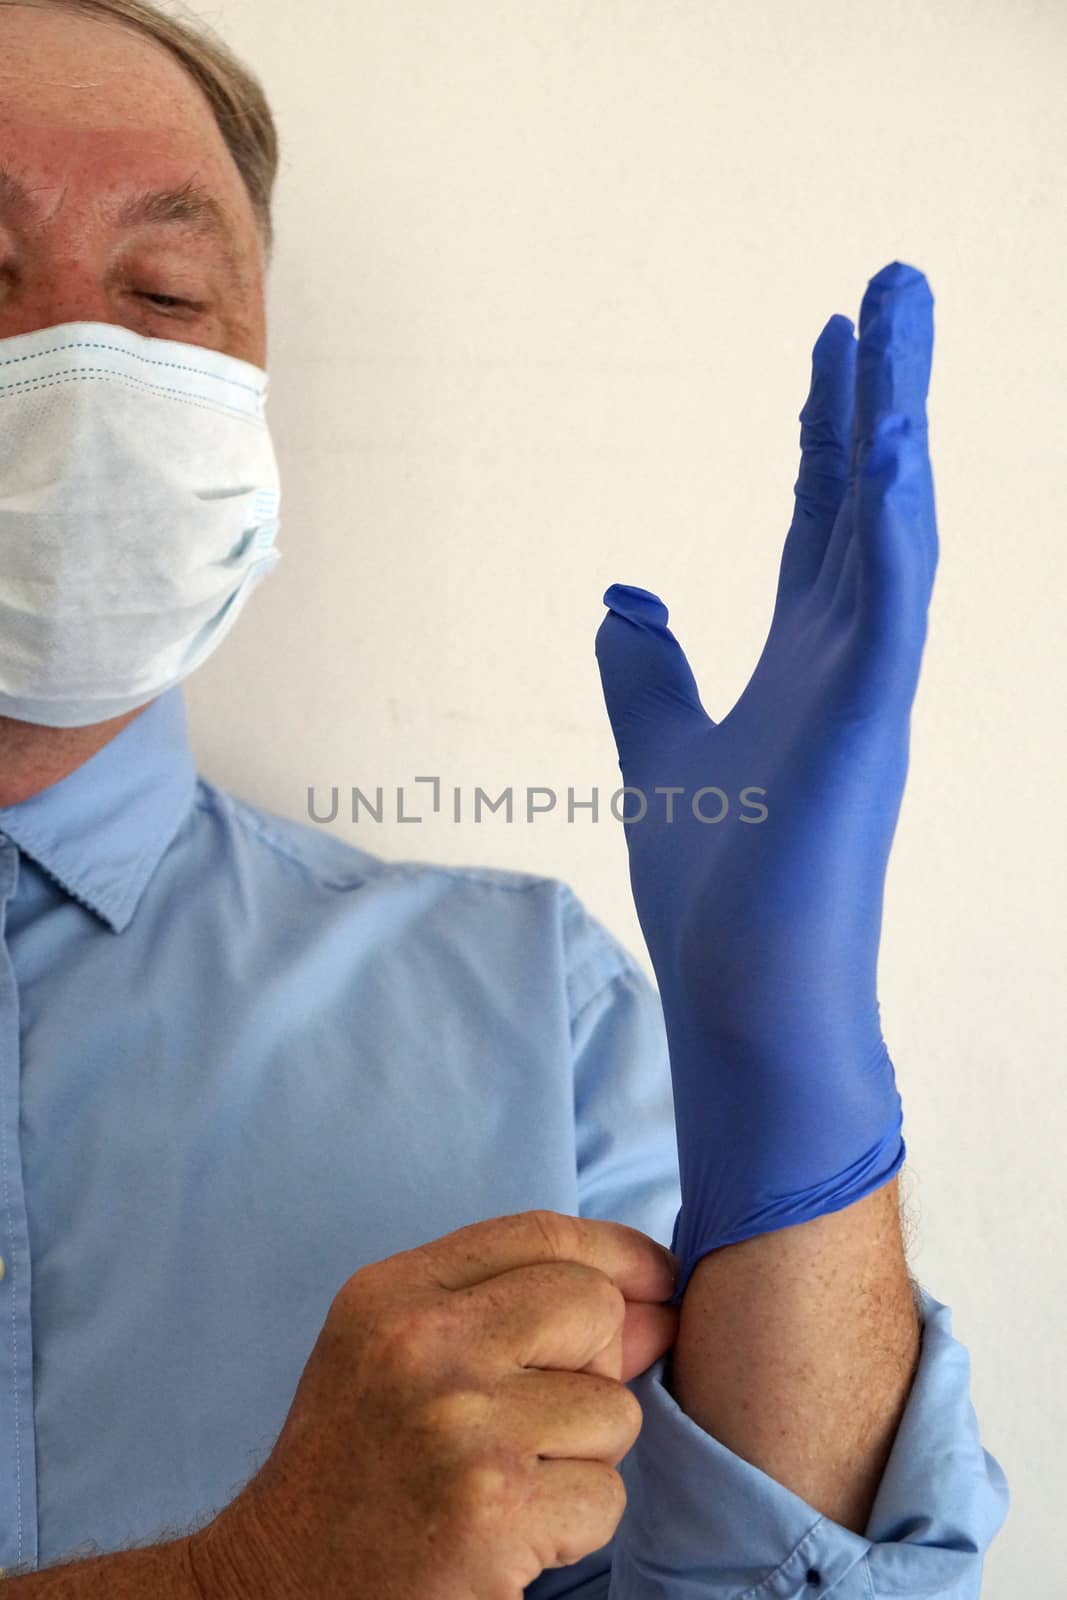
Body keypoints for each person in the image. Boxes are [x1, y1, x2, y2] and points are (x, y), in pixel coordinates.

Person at [0, 2, 1009, 1596]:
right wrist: (239, 1580)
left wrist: (794, 1074)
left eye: (165, 294)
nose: (73, 362)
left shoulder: (531, 1006)